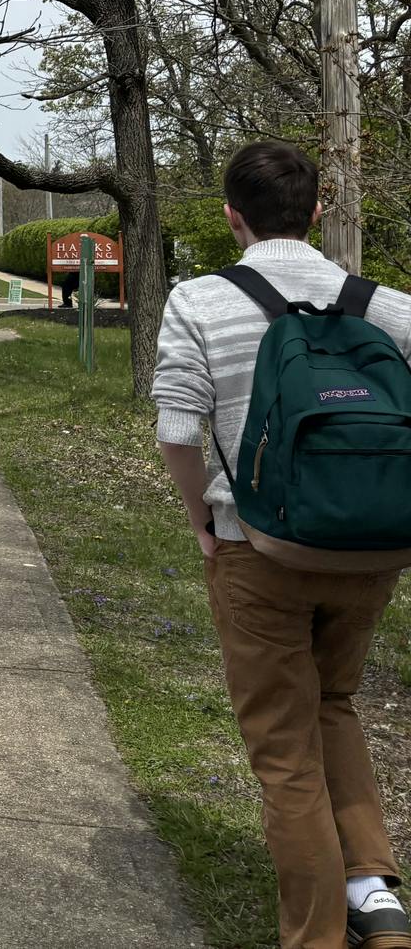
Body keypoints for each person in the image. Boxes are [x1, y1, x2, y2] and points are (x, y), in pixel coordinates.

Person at [154, 140, 411, 949]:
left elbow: (175, 428)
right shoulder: (387, 306)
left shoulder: (200, 301)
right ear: (319, 213)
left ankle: (316, 936)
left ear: (233, 216)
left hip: (257, 549)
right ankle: (375, 893)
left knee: (283, 752)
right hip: (369, 551)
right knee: (334, 702)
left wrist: (202, 524)